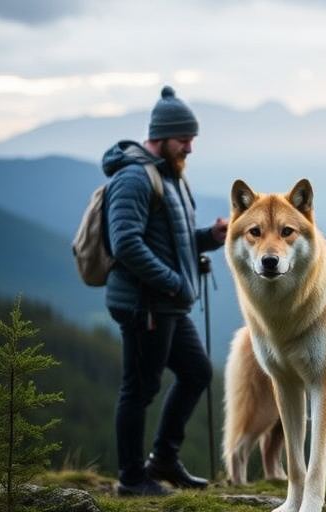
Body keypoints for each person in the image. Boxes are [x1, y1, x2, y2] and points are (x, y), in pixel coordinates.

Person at [101, 85, 228, 496]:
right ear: (160, 136)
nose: (189, 148)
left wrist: (210, 236)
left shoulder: (168, 176)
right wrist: (173, 281)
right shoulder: (134, 178)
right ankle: (132, 479)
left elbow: (171, 238)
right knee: (139, 389)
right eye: (184, 140)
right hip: (146, 305)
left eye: (191, 140)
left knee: (197, 372)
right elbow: (126, 244)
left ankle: (165, 460)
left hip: (168, 304)